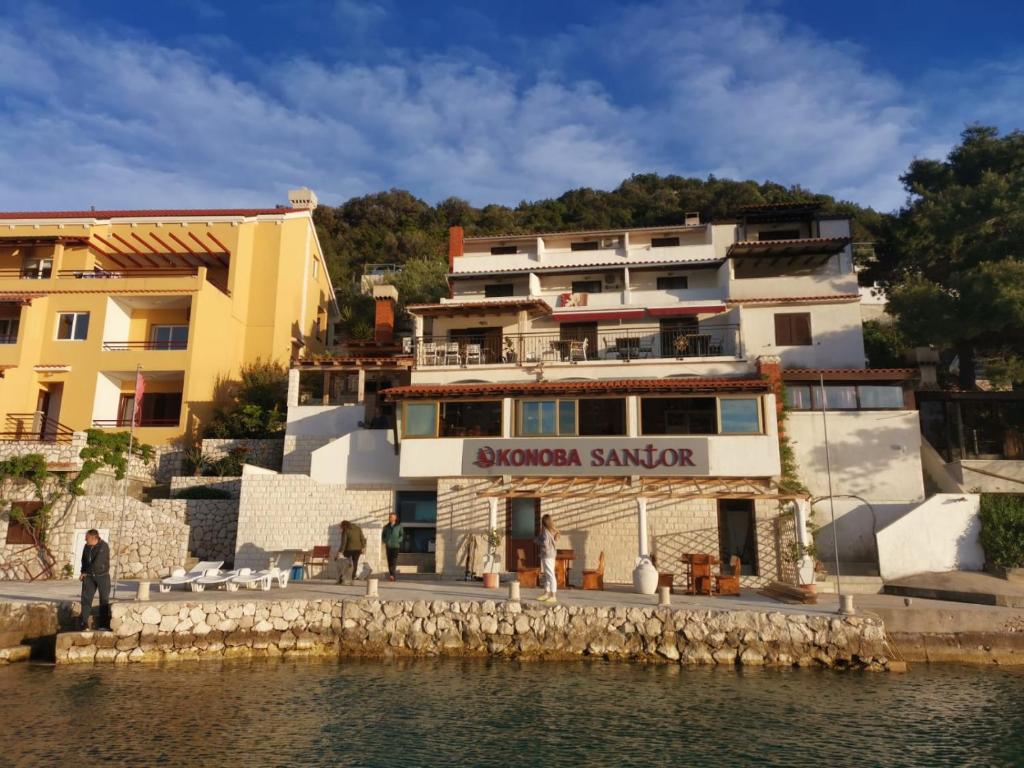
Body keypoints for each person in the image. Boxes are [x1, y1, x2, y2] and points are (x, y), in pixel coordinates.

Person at [79, 529, 111, 630]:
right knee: (86, 599)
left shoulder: (103, 546)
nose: (85, 539)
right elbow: (84, 560)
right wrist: (82, 571)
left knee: (104, 600)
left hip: (102, 576)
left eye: (87, 537)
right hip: (89, 577)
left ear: (93, 538)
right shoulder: (87, 546)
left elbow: (97, 563)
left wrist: (85, 572)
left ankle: (103, 625)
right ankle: (84, 623)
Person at [536, 514, 559, 603]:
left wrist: (540, 543)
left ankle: (553, 595)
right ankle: (546, 593)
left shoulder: (546, 531)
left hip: (547, 555)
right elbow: (555, 539)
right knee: (547, 574)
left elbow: (545, 542)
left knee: (550, 574)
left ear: (544, 522)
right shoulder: (550, 530)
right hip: (550, 555)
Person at [336, 520, 366, 585]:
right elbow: (362, 538)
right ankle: (352, 580)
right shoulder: (358, 528)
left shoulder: (345, 530)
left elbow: (343, 543)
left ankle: (341, 579)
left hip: (349, 550)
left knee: (346, 564)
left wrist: (340, 552)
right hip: (358, 550)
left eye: (341, 527)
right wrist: (363, 547)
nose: (341, 528)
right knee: (355, 564)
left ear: (344, 526)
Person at [381, 512, 404, 582]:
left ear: (395, 518)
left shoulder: (399, 526)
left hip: (395, 546)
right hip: (388, 546)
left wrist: (398, 541)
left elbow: (402, 535)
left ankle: (392, 575)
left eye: (392, 517)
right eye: (390, 517)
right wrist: (385, 541)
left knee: (394, 560)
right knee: (389, 561)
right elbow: (383, 536)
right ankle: (391, 575)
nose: (390, 518)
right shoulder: (386, 527)